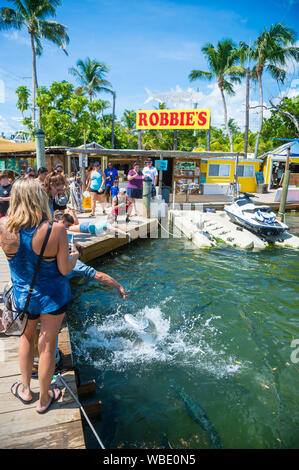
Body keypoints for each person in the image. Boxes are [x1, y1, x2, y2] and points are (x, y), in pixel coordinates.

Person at [0, 178, 79, 414]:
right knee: (47, 344)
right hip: (52, 296)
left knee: (26, 338)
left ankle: (25, 389)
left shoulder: (4, 226)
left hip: (24, 296)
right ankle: (44, 399)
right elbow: (65, 269)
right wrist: (75, 255)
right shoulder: (55, 229)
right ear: (40, 198)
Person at [55, 210, 128, 238]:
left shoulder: (106, 223)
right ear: (110, 219)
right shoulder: (107, 224)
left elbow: (108, 231)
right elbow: (114, 229)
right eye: (114, 219)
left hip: (88, 226)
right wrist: (125, 233)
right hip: (86, 227)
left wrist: (116, 233)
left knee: (72, 226)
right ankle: (72, 213)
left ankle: (72, 213)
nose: (114, 221)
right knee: (69, 228)